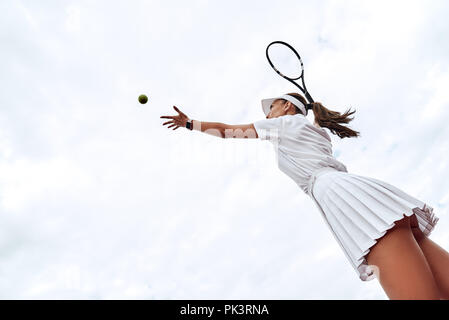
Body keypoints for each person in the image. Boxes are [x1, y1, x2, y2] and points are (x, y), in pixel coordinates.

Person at [160, 92, 449, 300]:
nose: (266, 115)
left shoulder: (285, 125)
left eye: (270, 107)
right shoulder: (313, 130)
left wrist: (190, 123)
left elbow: (228, 132)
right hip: (364, 196)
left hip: (345, 198)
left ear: (286, 107)